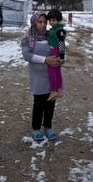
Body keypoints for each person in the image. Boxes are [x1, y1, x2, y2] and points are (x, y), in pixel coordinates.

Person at [21, 12, 62, 142]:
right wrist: (45, 60)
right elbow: (26, 55)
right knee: (38, 104)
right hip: (38, 77)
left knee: (50, 103)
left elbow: (59, 49)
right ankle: (36, 129)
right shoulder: (28, 37)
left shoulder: (51, 35)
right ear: (34, 22)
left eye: (45, 22)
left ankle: (48, 127)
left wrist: (61, 59)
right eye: (39, 22)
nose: (43, 25)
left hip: (52, 76)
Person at [46, 9, 67, 101]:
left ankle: (53, 91)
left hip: (55, 52)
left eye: (53, 20)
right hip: (54, 51)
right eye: (50, 20)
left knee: (52, 70)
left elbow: (61, 43)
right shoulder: (54, 29)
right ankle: (59, 90)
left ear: (58, 19)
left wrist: (61, 57)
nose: (51, 22)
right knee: (57, 71)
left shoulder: (59, 30)